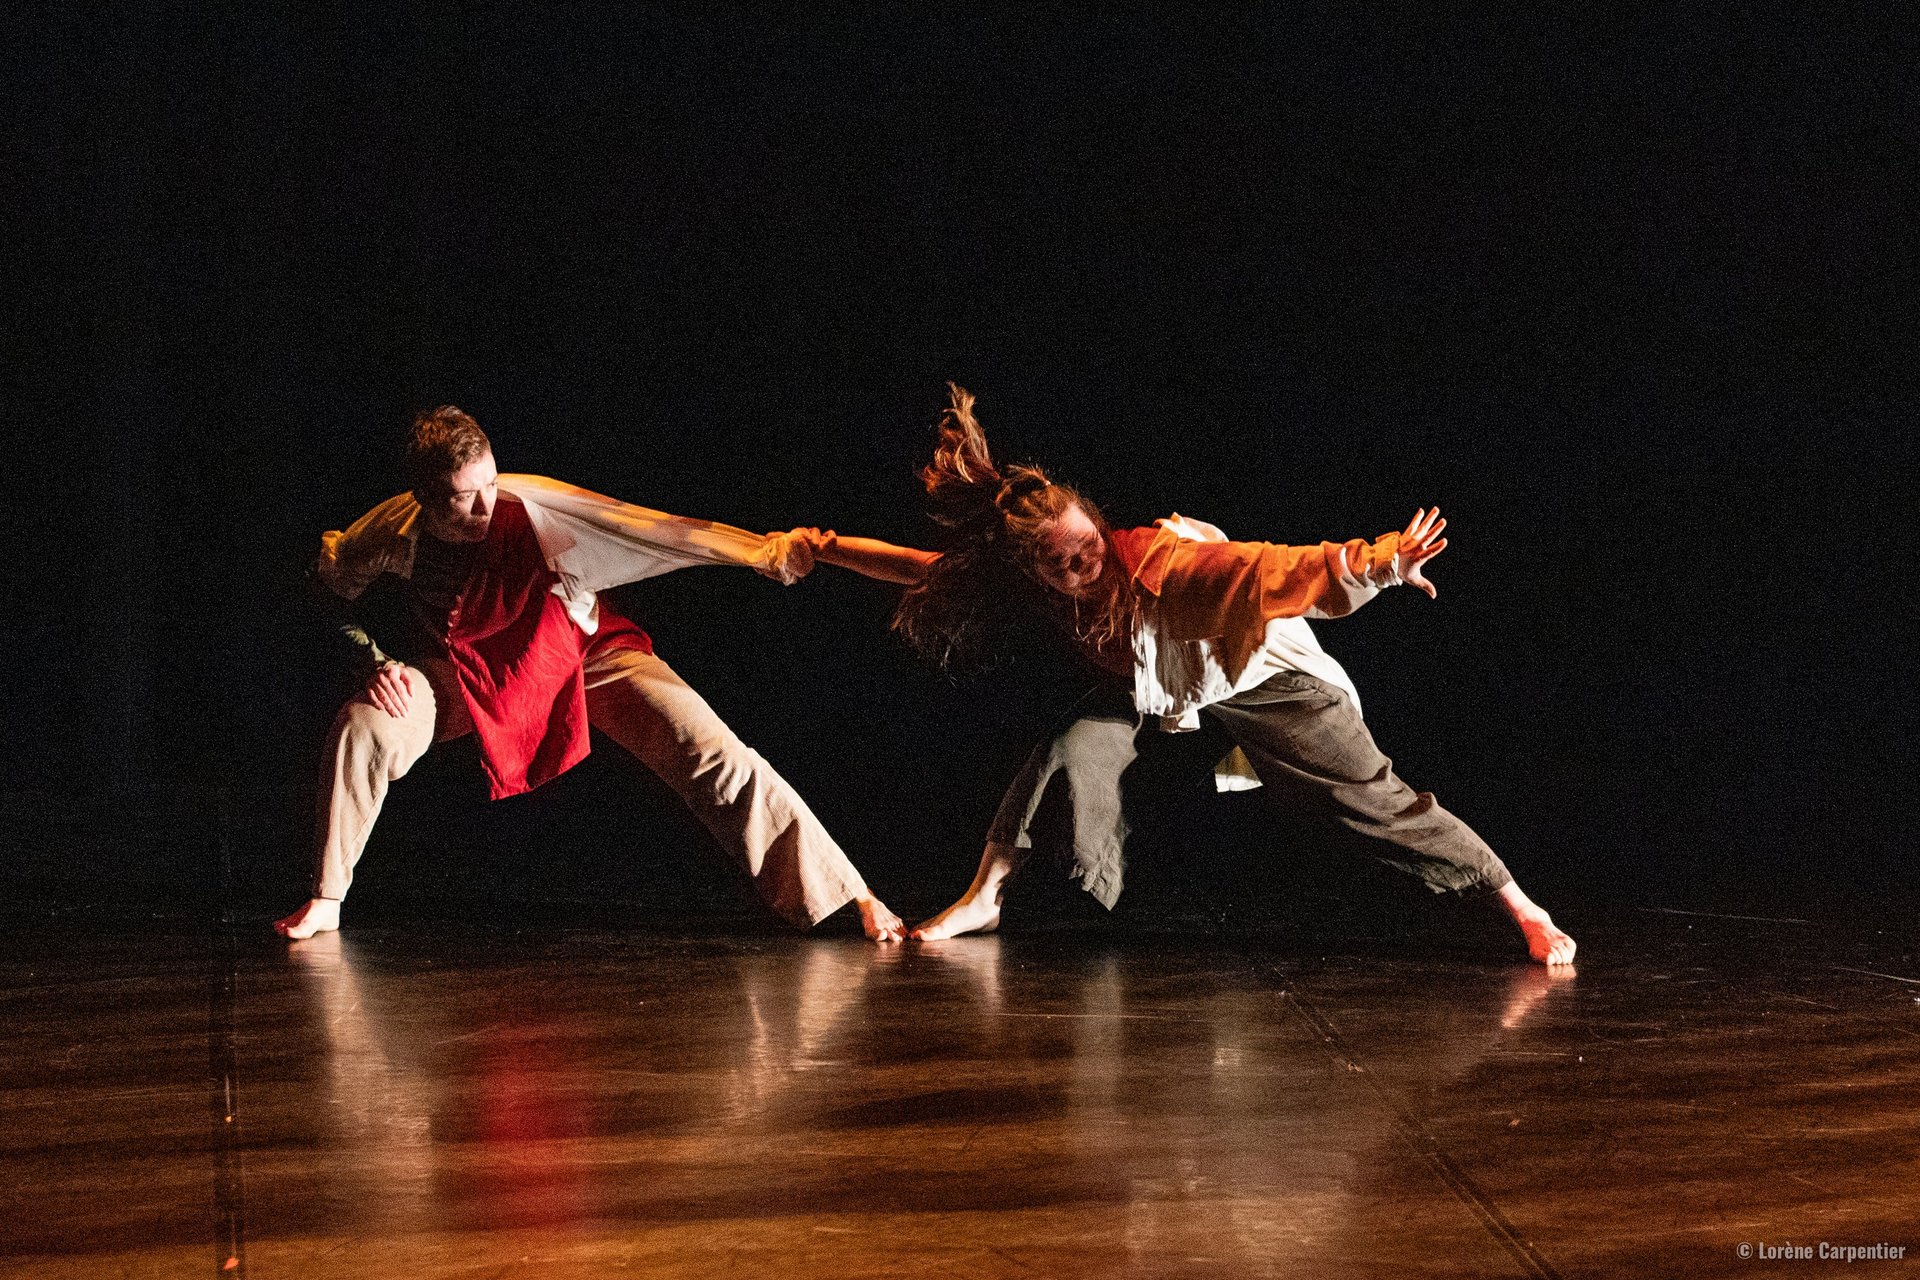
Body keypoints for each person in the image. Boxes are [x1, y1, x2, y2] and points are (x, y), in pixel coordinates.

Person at [789, 384, 1575, 965]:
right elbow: (925, 569)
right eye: (1060, 565)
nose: (1081, 568)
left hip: (1264, 683)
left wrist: (1378, 564)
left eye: (1087, 547)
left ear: (1097, 524)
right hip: (1152, 691)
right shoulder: (1034, 587)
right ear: (1033, 569)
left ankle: (1520, 905)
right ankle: (983, 899)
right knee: (1069, 752)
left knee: (1374, 802)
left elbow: (1273, 569)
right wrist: (821, 544)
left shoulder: (1169, 569)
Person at [273, 406, 905, 942]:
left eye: (490, 484)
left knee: (713, 753)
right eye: (464, 500)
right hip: (475, 673)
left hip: (582, 653)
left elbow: (656, 532)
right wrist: (373, 661)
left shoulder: (541, 506)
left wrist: (764, 551)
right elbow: (325, 591)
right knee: (366, 724)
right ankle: (328, 899)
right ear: (425, 499)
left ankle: (850, 896)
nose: (485, 507)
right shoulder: (389, 532)